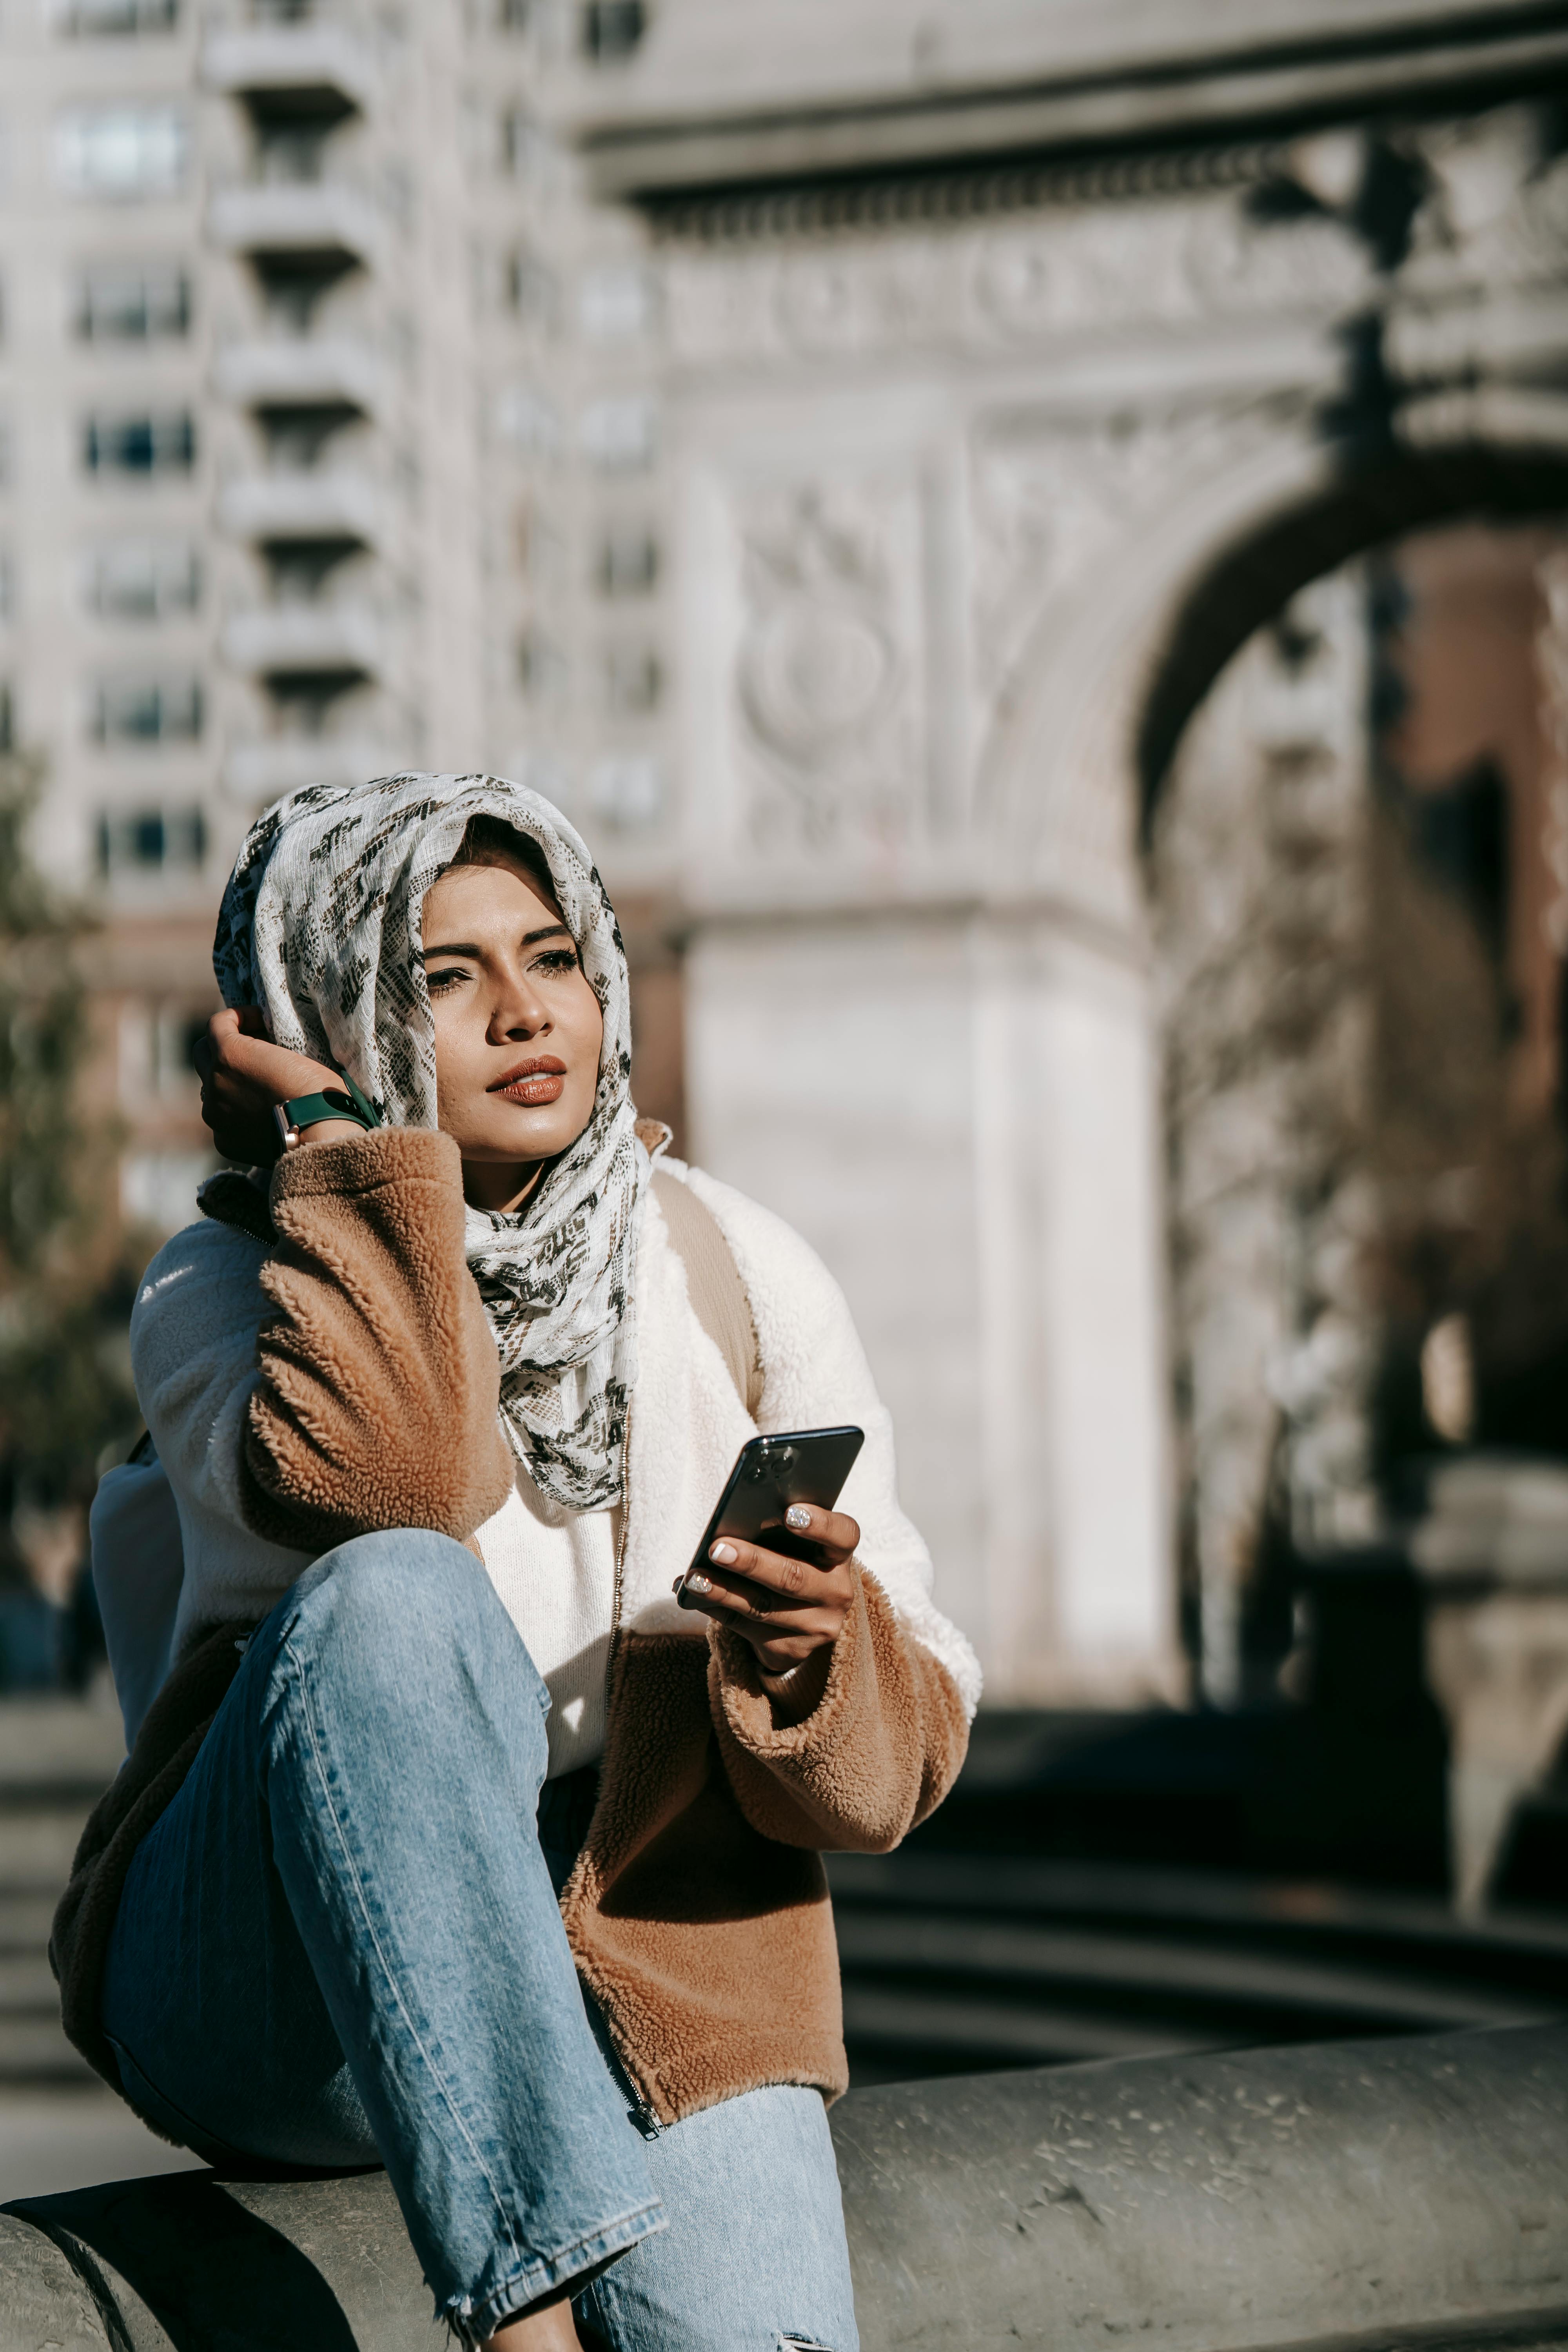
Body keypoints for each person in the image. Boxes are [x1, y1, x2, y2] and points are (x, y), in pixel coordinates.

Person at [51, 773, 980, 2352]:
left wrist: (817, 1653)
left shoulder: (736, 1265)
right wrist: (353, 1163)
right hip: (282, 1959)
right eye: (440, 976)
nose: (521, 1012)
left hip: (657, 1931)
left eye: (552, 958)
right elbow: (396, 1486)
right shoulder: (227, 1281)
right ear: (331, 1007)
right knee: (398, 1599)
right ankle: (525, 2321)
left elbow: (891, 1776)